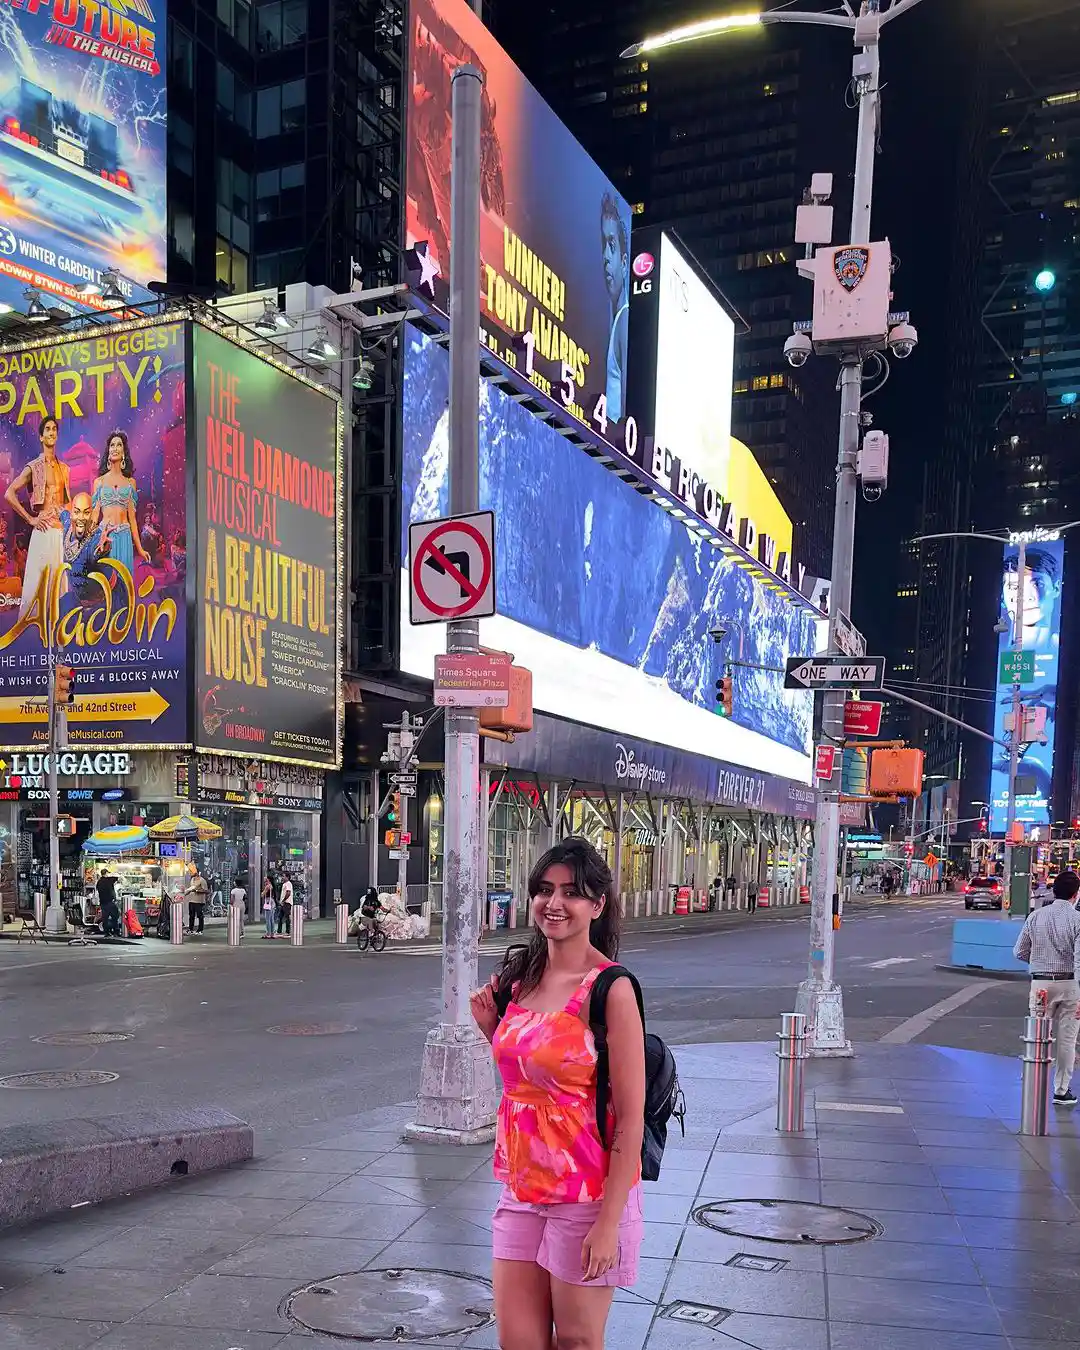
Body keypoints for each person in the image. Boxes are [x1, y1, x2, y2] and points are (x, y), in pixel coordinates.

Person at [470, 837, 645, 1350]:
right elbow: (529, 1082)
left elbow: (630, 1119)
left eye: (572, 892)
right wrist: (491, 1029)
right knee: (518, 1342)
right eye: (544, 890)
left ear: (598, 904)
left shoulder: (611, 989)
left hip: (587, 1197)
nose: (555, 903)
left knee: (576, 1341)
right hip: (522, 1190)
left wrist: (609, 1223)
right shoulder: (519, 980)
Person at [1013, 869, 1080, 1106]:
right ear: (1076, 894)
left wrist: (1039, 961)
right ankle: (1061, 1090)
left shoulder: (1036, 917)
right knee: (1067, 1040)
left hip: (1041, 983)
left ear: (1054, 891)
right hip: (1070, 984)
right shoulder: (1077, 919)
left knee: (1039, 1035)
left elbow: (1019, 951)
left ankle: (1033, 1079)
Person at [6, 415, 70, 620]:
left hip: (60, 533)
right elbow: (9, 493)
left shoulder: (65, 469)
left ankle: (58, 631)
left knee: (60, 585)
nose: (52, 432)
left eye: (54, 429)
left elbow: (66, 503)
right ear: (41, 437)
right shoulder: (33, 466)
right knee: (38, 585)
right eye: (48, 429)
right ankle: (36, 638)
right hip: (42, 532)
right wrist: (30, 519)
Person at [90, 431, 149, 587]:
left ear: (124, 452)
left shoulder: (130, 483)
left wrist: (140, 549)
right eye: (112, 445)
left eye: (119, 445)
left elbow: (133, 520)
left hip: (124, 538)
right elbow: (94, 516)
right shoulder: (99, 482)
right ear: (108, 451)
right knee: (106, 587)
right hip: (105, 538)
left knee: (124, 586)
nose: (115, 448)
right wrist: (87, 542)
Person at [600, 194, 629, 423]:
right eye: (603, 245)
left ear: (625, 262)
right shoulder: (618, 319)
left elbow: (629, 413)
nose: (605, 258)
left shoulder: (624, 322)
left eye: (611, 246)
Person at [96, 867, 121, 937]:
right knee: (115, 916)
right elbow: (117, 877)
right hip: (110, 902)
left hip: (103, 902)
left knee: (105, 918)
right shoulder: (109, 880)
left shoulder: (99, 882)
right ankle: (116, 931)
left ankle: (106, 932)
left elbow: (98, 890)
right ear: (106, 873)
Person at [185, 866, 208, 935]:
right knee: (191, 915)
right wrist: (185, 893)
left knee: (199, 915)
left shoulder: (202, 880)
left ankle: (200, 930)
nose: (191, 873)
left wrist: (197, 890)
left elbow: (206, 891)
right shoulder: (192, 879)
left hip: (199, 901)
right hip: (191, 900)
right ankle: (190, 929)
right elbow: (190, 888)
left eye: (192, 871)